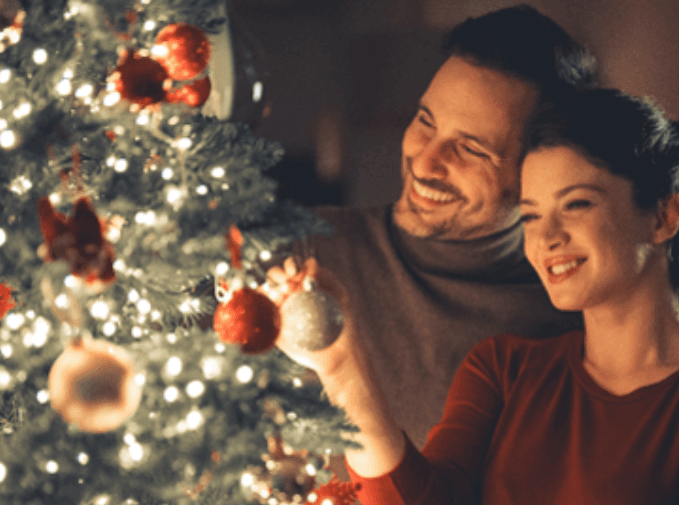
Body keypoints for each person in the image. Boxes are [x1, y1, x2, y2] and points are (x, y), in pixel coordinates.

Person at [273, 88, 679, 504]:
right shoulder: (504, 369)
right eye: (531, 216)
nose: (547, 238)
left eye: (576, 204)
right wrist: (342, 367)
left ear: (664, 217)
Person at [294, 4, 594, 452]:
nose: (426, 160)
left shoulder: (568, 329)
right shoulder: (305, 247)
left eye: (471, 149)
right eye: (425, 121)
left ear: (539, 171)